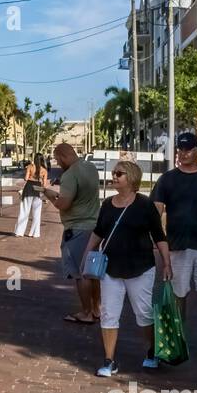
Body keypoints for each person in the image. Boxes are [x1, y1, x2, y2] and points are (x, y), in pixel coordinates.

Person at [83, 159, 171, 377]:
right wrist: (87, 253)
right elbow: (99, 231)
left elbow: (158, 236)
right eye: (114, 173)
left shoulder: (144, 205)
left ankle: (151, 352)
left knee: (143, 314)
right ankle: (109, 360)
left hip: (140, 268)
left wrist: (167, 263)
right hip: (111, 268)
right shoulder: (107, 204)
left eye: (119, 173)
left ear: (131, 178)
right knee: (109, 314)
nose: (114, 176)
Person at [151, 132, 197, 361]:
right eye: (180, 150)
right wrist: (157, 242)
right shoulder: (167, 179)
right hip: (178, 245)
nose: (183, 154)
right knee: (178, 295)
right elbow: (156, 211)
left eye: (188, 149)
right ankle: (177, 337)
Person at [46, 142, 101, 324]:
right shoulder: (90, 167)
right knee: (92, 272)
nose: (58, 163)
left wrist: (50, 195)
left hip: (77, 228)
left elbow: (64, 204)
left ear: (63, 156)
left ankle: (86, 312)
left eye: (57, 159)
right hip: (94, 226)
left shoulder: (70, 175)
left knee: (81, 273)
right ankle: (96, 309)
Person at [15, 153, 47, 238]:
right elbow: (44, 184)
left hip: (29, 187)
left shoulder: (30, 167)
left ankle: (19, 232)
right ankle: (35, 233)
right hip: (38, 188)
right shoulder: (44, 170)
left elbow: (25, 178)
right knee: (37, 213)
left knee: (24, 210)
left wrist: (29, 176)